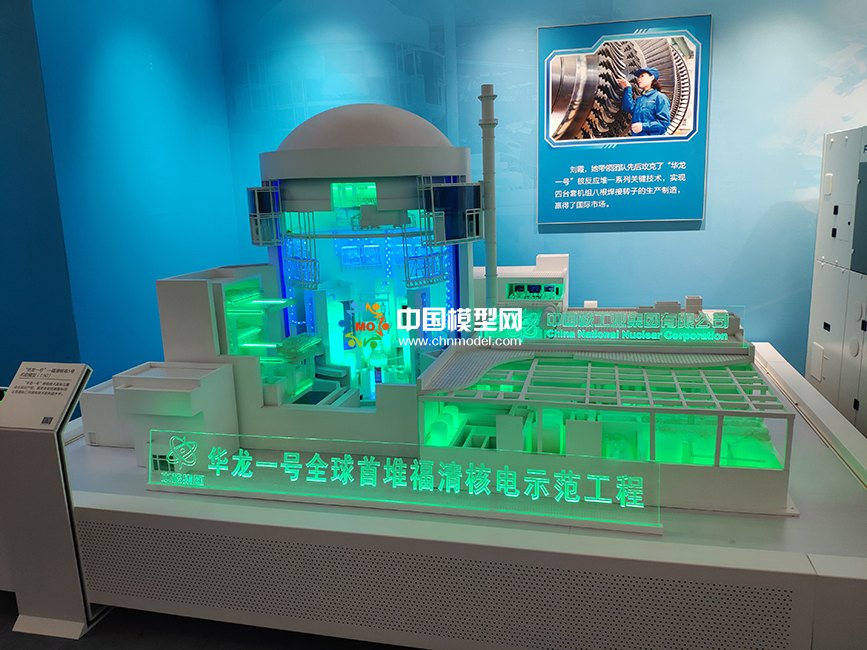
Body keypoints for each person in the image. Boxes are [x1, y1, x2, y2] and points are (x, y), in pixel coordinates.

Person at [617, 67, 671, 136]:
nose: (639, 79)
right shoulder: (639, 100)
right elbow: (627, 107)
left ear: (652, 78)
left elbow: (664, 123)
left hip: (652, 141)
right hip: (637, 140)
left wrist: (643, 126)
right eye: (638, 77)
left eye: (642, 76)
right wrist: (627, 88)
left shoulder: (660, 97)